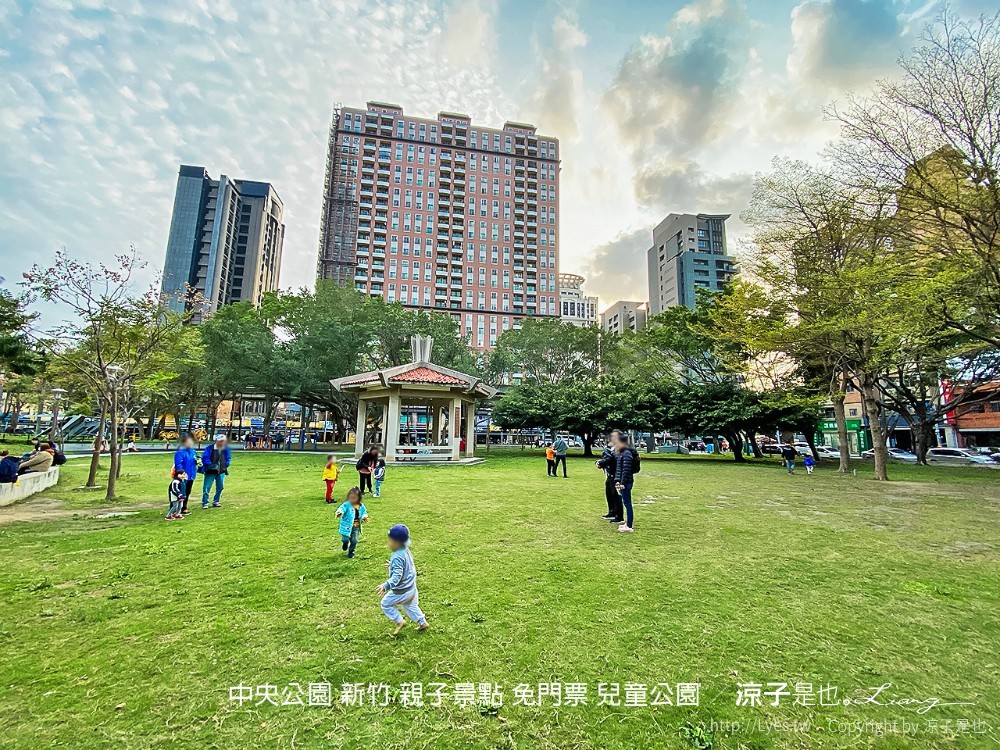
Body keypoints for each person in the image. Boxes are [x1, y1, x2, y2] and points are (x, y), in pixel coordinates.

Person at [376, 524, 429, 636]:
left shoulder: (396, 556)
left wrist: (386, 585)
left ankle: (399, 621)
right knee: (410, 605)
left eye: (390, 541)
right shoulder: (405, 550)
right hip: (411, 587)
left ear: (397, 542)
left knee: (385, 604)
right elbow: (406, 565)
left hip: (402, 591)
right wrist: (392, 565)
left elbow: (396, 577)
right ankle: (422, 622)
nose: (388, 543)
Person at [612, 430, 637, 533]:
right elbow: (620, 469)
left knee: (627, 504)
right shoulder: (623, 452)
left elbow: (626, 470)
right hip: (624, 482)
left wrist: (622, 483)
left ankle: (629, 525)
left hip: (626, 482)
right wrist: (618, 481)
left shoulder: (626, 453)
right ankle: (628, 523)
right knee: (626, 503)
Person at [335, 487, 369, 558]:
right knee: (345, 539)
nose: (352, 499)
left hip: (356, 527)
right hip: (346, 526)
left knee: (354, 541)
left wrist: (364, 517)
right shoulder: (347, 504)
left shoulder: (361, 506)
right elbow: (342, 508)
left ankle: (351, 552)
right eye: (351, 498)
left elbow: (364, 512)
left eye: (354, 498)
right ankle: (345, 543)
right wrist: (339, 512)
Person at [201, 435, 232, 508]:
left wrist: (225, 465)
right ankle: (205, 502)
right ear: (217, 441)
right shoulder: (209, 448)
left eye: (223, 441)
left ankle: (216, 501)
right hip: (210, 471)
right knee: (206, 487)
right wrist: (211, 465)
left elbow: (228, 458)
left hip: (221, 471)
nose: (222, 443)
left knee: (220, 487)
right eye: (221, 441)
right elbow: (205, 458)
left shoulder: (225, 449)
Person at [596, 438, 622, 524]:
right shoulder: (610, 450)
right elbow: (608, 461)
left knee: (616, 496)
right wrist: (600, 463)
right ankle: (612, 512)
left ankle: (619, 516)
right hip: (610, 475)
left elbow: (609, 459)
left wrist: (600, 462)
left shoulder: (615, 451)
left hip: (616, 476)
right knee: (609, 494)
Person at [173, 434, 199, 515]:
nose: (191, 443)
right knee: (179, 492)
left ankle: (184, 507)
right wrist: (182, 474)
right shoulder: (180, 452)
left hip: (191, 475)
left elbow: (195, 461)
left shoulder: (193, 451)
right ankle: (175, 509)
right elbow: (178, 464)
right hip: (182, 476)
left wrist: (198, 462)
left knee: (187, 492)